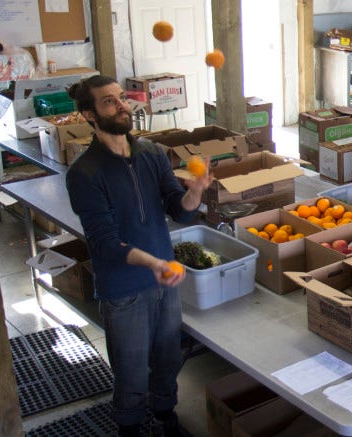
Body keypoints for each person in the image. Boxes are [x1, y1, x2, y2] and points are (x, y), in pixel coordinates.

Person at [65, 75, 211, 436]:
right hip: (124, 287)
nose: (121, 106)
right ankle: (129, 426)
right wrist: (153, 263)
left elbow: (178, 210)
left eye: (121, 98)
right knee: (130, 370)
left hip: (165, 279)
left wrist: (195, 193)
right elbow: (104, 243)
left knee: (169, 357)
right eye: (108, 102)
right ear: (89, 115)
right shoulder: (84, 173)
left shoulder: (151, 153)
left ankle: (166, 415)